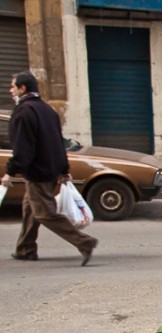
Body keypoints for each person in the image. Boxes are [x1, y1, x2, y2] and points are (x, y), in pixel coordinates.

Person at [1, 71, 98, 266]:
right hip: (50, 170)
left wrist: (10, 172)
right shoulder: (47, 110)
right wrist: (63, 169)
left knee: (44, 213)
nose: (10, 90)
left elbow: (23, 148)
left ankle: (85, 242)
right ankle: (25, 249)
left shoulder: (23, 112)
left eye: (13, 87)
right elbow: (57, 143)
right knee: (30, 209)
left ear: (22, 88)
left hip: (37, 172)